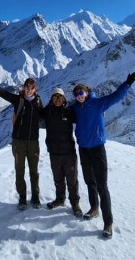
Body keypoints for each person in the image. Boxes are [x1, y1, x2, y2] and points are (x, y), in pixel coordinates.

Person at [71, 72, 135, 239]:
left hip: (97, 148)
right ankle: (94, 208)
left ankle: (108, 223)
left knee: (102, 185)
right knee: (89, 181)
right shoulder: (75, 108)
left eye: (82, 93)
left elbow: (116, 97)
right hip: (83, 149)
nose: (79, 96)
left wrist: (127, 83)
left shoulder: (98, 103)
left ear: (87, 92)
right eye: (76, 94)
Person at [0, 67, 43, 211]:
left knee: (34, 171)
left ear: (35, 89)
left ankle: (35, 197)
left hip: (33, 142)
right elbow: (1, 92)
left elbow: (46, 115)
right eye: (27, 87)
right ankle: (22, 198)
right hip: (18, 142)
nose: (29, 90)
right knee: (19, 170)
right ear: (24, 88)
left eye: (31, 88)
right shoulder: (17, 100)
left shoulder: (38, 103)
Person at [40, 88, 82, 217]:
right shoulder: (47, 112)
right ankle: (60, 199)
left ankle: (75, 203)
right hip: (54, 153)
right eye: (55, 97)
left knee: (72, 180)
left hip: (69, 152)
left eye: (60, 97)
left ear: (64, 99)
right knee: (58, 179)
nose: (58, 99)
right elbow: (34, 111)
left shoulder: (70, 112)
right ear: (52, 99)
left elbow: (84, 115)